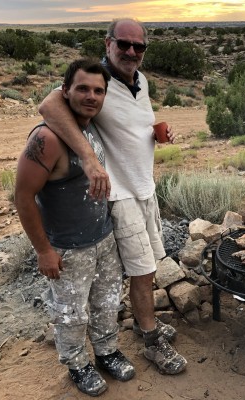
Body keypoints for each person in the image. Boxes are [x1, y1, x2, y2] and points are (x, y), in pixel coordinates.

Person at [39, 19, 187, 375]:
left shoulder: (141, 81)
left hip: (144, 187)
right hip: (119, 194)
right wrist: (90, 159)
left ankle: (141, 322)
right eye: (124, 44)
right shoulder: (98, 82)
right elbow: (48, 106)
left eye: (139, 47)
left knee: (148, 264)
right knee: (142, 269)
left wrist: (155, 132)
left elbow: (130, 125)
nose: (132, 52)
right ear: (108, 43)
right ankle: (151, 340)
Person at [15, 59, 136, 397]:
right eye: (82, 88)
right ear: (64, 90)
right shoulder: (47, 138)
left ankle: (106, 351)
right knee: (70, 314)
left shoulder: (89, 126)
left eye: (98, 91)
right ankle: (77, 364)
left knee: (107, 302)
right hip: (68, 248)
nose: (91, 96)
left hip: (102, 238)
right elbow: (23, 197)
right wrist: (43, 250)